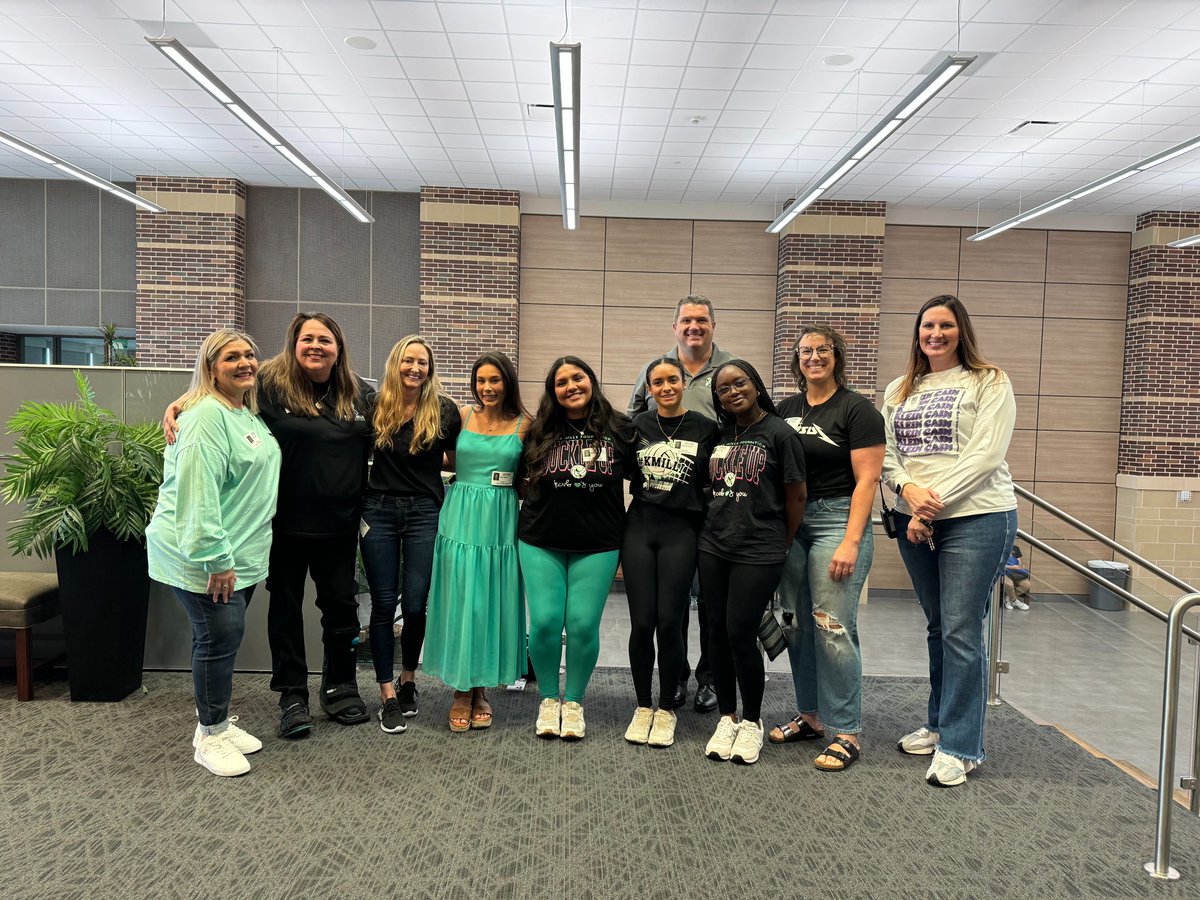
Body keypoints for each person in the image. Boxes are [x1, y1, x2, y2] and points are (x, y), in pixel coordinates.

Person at [165, 312, 375, 740]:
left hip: (340, 528)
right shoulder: (270, 387)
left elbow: (404, 419)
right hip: (283, 528)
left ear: (339, 348)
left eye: (325, 340)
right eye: (307, 339)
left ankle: (340, 687)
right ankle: (291, 696)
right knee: (285, 612)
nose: (316, 346)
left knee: (342, 613)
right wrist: (178, 403)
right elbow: (220, 395)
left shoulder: (361, 395)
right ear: (293, 344)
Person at [883, 294, 1018, 788]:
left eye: (945, 325)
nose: (934, 334)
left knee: (962, 628)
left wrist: (929, 505)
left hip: (977, 516)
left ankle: (962, 745)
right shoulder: (900, 388)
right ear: (917, 334)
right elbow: (888, 454)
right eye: (926, 326)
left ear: (961, 330)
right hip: (914, 518)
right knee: (940, 626)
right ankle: (940, 724)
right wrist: (908, 493)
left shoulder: (989, 381)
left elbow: (986, 454)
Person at [147, 329, 281, 777]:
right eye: (231, 357)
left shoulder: (243, 411)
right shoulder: (206, 416)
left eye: (249, 354)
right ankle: (209, 733)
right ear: (210, 368)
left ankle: (218, 724)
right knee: (217, 638)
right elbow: (198, 494)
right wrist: (216, 558)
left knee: (225, 637)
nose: (244, 362)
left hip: (239, 553)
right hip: (209, 558)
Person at [770, 326, 884, 772]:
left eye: (822, 350)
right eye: (805, 351)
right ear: (796, 360)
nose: (814, 357)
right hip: (792, 523)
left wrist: (852, 540)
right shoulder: (787, 409)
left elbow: (867, 481)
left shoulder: (856, 410)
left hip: (837, 519)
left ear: (836, 356)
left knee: (832, 626)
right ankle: (812, 716)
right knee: (797, 625)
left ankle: (847, 731)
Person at [628, 294, 735, 713]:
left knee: (710, 602)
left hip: (712, 506)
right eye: (687, 320)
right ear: (675, 327)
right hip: (656, 507)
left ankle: (710, 679)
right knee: (670, 611)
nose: (694, 327)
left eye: (702, 320)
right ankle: (676, 677)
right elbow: (632, 420)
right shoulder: (653, 368)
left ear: (713, 325)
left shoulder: (728, 369)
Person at [519, 356, 633, 741]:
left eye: (577, 377)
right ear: (553, 391)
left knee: (583, 624)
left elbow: (645, 476)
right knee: (547, 622)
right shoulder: (538, 430)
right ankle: (549, 700)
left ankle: (574, 702)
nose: (571, 386)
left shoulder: (620, 428)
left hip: (598, 542)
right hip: (540, 539)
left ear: (591, 380)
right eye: (561, 382)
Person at [699, 359, 806, 766]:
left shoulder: (780, 433)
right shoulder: (720, 433)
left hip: (759, 548)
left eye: (739, 383)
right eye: (723, 389)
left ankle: (752, 721)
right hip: (713, 545)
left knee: (740, 631)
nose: (732, 392)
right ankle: (726, 716)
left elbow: (796, 496)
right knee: (715, 631)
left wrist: (783, 540)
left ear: (755, 385)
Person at [360, 335, 461, 734]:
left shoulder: (444, 409)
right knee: (384, 604)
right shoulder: (372, 404)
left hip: (424, 512)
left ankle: (408, 680)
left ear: (429, 368)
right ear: (395, 364)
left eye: (422, 362)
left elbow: (462, 454)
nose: (415, 368)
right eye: (407, 361)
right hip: (379, 511)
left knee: (416, 605)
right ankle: (386, 694)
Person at [423, 351, 528, 732]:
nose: (487, 388)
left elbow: (530, 476)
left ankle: (481, 689)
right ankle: (460, 691)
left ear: (508, 383)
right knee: (460, 599)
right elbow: (441, 458)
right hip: (461, 514)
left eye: (495, 380)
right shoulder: (460, 416)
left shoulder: (524, 424)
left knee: (488, 602)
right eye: (481, 381)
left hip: (500, 520)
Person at [621, 357, 720, 748]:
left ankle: (665, 710)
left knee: (669, 620)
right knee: (642, 623)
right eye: (657, 382)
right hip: (640, 529)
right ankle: (643, 706)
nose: (665, 387)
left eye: (672, 380)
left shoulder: (706, 428)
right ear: (648, 389)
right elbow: (625, 472)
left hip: (682, 531)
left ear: (683, 383)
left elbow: (713, 484)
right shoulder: (637, 428)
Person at [1004, 545, 1032, 610]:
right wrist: (1010, 567)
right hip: (1004, 572)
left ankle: (1008, 598)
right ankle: (1015, 601)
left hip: (1015, 572)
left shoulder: (1015, 548)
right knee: (1009, 585)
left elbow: (1019, 563)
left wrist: (1020, 566)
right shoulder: (998, 547)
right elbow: (997, 565)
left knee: (1027, 585)